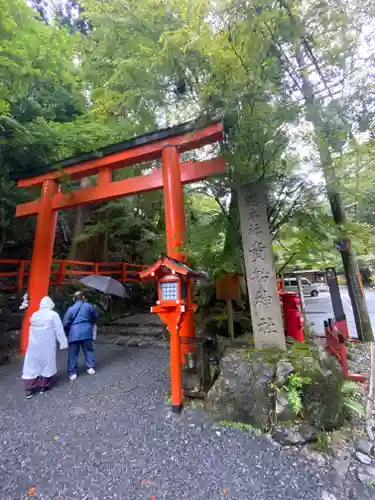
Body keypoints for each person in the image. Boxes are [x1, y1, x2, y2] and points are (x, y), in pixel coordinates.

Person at [22, 296, 68, 399]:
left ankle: (30, 388)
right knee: (47, 363)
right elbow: (59, 330)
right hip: (47, 343)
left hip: (34, 344)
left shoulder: (35, 315)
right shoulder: (53, 315)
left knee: (32, 364)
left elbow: (30, 330)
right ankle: (44, 385)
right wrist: (63, 342)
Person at [63, 291, 98, 381]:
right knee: (88, 350)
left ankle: (72, 373)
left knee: (73, 354)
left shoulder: (71, 309)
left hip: (74, 333)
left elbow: (66, 323)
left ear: (73, 299)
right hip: (87, 331)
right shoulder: (89, 306)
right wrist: (89, 324)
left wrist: (68, 331)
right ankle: (90, 367)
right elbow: (95, 317)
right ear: (83, 297)